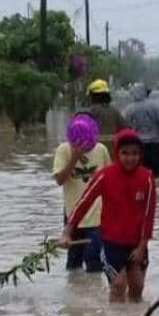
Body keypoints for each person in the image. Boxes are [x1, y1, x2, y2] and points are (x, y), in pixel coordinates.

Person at [60, 129, 157, 302]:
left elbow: (149, 215)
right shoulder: (104, 176)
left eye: (135, 153)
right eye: (125, 153)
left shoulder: (147, 178)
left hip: (137, 243)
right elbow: (83, 203)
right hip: (111, 243)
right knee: (118, 286)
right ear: (116, 153)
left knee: (137, 288)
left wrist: (142, 246)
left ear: (141, 154)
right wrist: (67, 231)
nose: (130, 158)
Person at [52, 114, 111, 273]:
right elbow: (59, 180)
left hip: (96, 217)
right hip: (72, 216)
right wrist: (74, 159)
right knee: (73, 265)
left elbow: (109, 180)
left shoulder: (101, 150)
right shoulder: (63, 150)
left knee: (95, 264)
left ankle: (92, 295)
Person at [123, 83, 159, 180]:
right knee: (158, 177)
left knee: (140, 178)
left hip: (138, 148)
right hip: (155, 146)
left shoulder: (129, 110)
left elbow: (126, 130)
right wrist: (158, 138)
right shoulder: (155, 107)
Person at [86, 79, 126, 155]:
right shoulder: (115, 111)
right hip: (113, 150)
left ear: (93, 96)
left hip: (95, 151)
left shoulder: (90, 112)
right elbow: (124, 129)